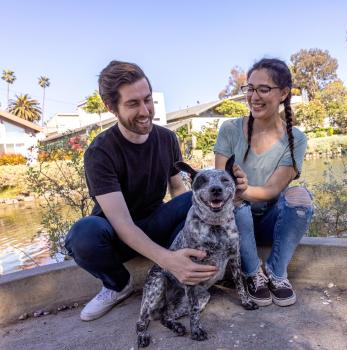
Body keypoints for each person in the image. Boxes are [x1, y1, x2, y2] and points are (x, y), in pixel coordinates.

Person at [65, 61, 223, 321]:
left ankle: (183, 281)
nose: (145, 111)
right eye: (132, 104)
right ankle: (118, 285)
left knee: (194, 201)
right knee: (83, 234)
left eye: (147, 100)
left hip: (156, 223)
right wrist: (168, 259)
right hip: (116, 234)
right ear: (111, 107)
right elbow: (123, 223)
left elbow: (177, 189)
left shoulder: (167, 138)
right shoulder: (100, 152)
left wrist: (187, 235)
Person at [214, 58, 314, 307]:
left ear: (283, 93)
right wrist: (234, 187)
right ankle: (251, 273)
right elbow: (219, 187)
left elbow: (272, 190)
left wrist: (244, 189)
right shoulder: (230, 129)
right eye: (250, 88)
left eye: (264, 89)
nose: (254, 96)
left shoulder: (296, 139)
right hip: (234, 223)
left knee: (300, 197)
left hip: (271, 221)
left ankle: (277, 273)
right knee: (236, 202)